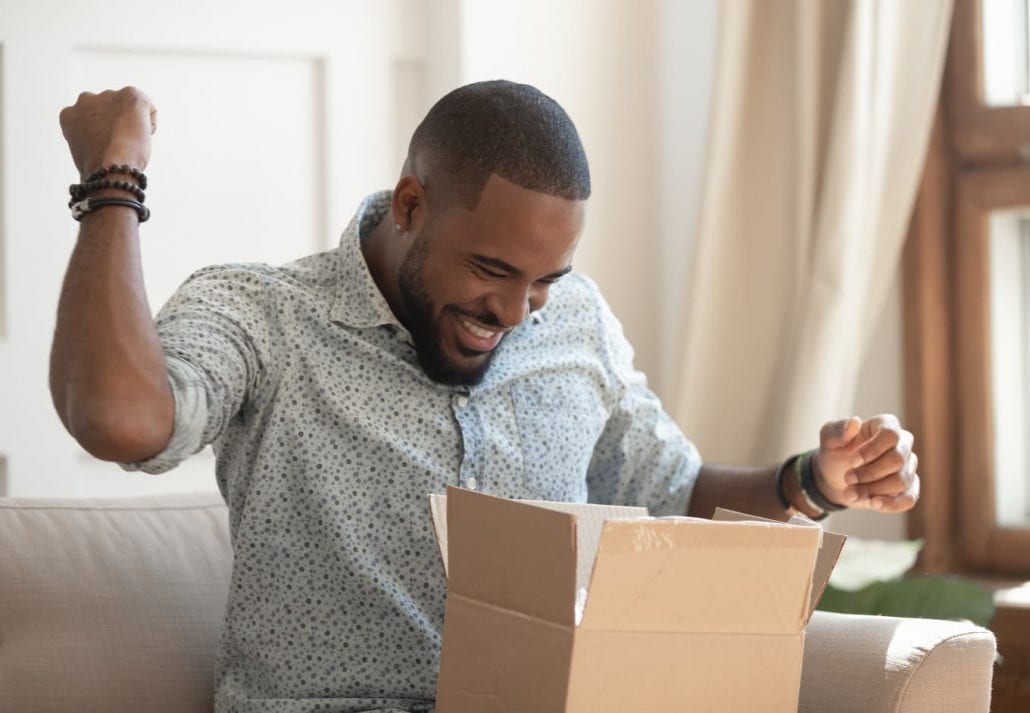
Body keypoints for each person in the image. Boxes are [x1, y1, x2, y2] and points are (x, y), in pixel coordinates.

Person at [52, 81, 919, 713]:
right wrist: (113, 180)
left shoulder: (573, 324)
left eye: (545, 280)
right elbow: (120, 419)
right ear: (411, 204)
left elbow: (676, 490)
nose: (514, 313)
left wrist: (812, 480)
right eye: (492, 270)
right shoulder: (267, 315)